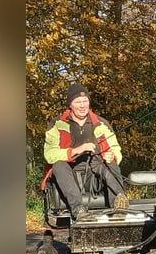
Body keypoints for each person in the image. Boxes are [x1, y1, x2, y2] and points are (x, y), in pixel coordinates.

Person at [43, 82, 128, 221]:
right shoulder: (57, 124)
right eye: (78, 102)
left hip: (94, 177)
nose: (82, 105)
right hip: (69, 178)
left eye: (85, 101)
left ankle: (119, 206)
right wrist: (77, 150)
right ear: (70, 104)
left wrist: (112, 155)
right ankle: (79, 211)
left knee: (111, 163)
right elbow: (49, 154)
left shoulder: (101, 123)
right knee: (58, 165)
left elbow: (116, 148)